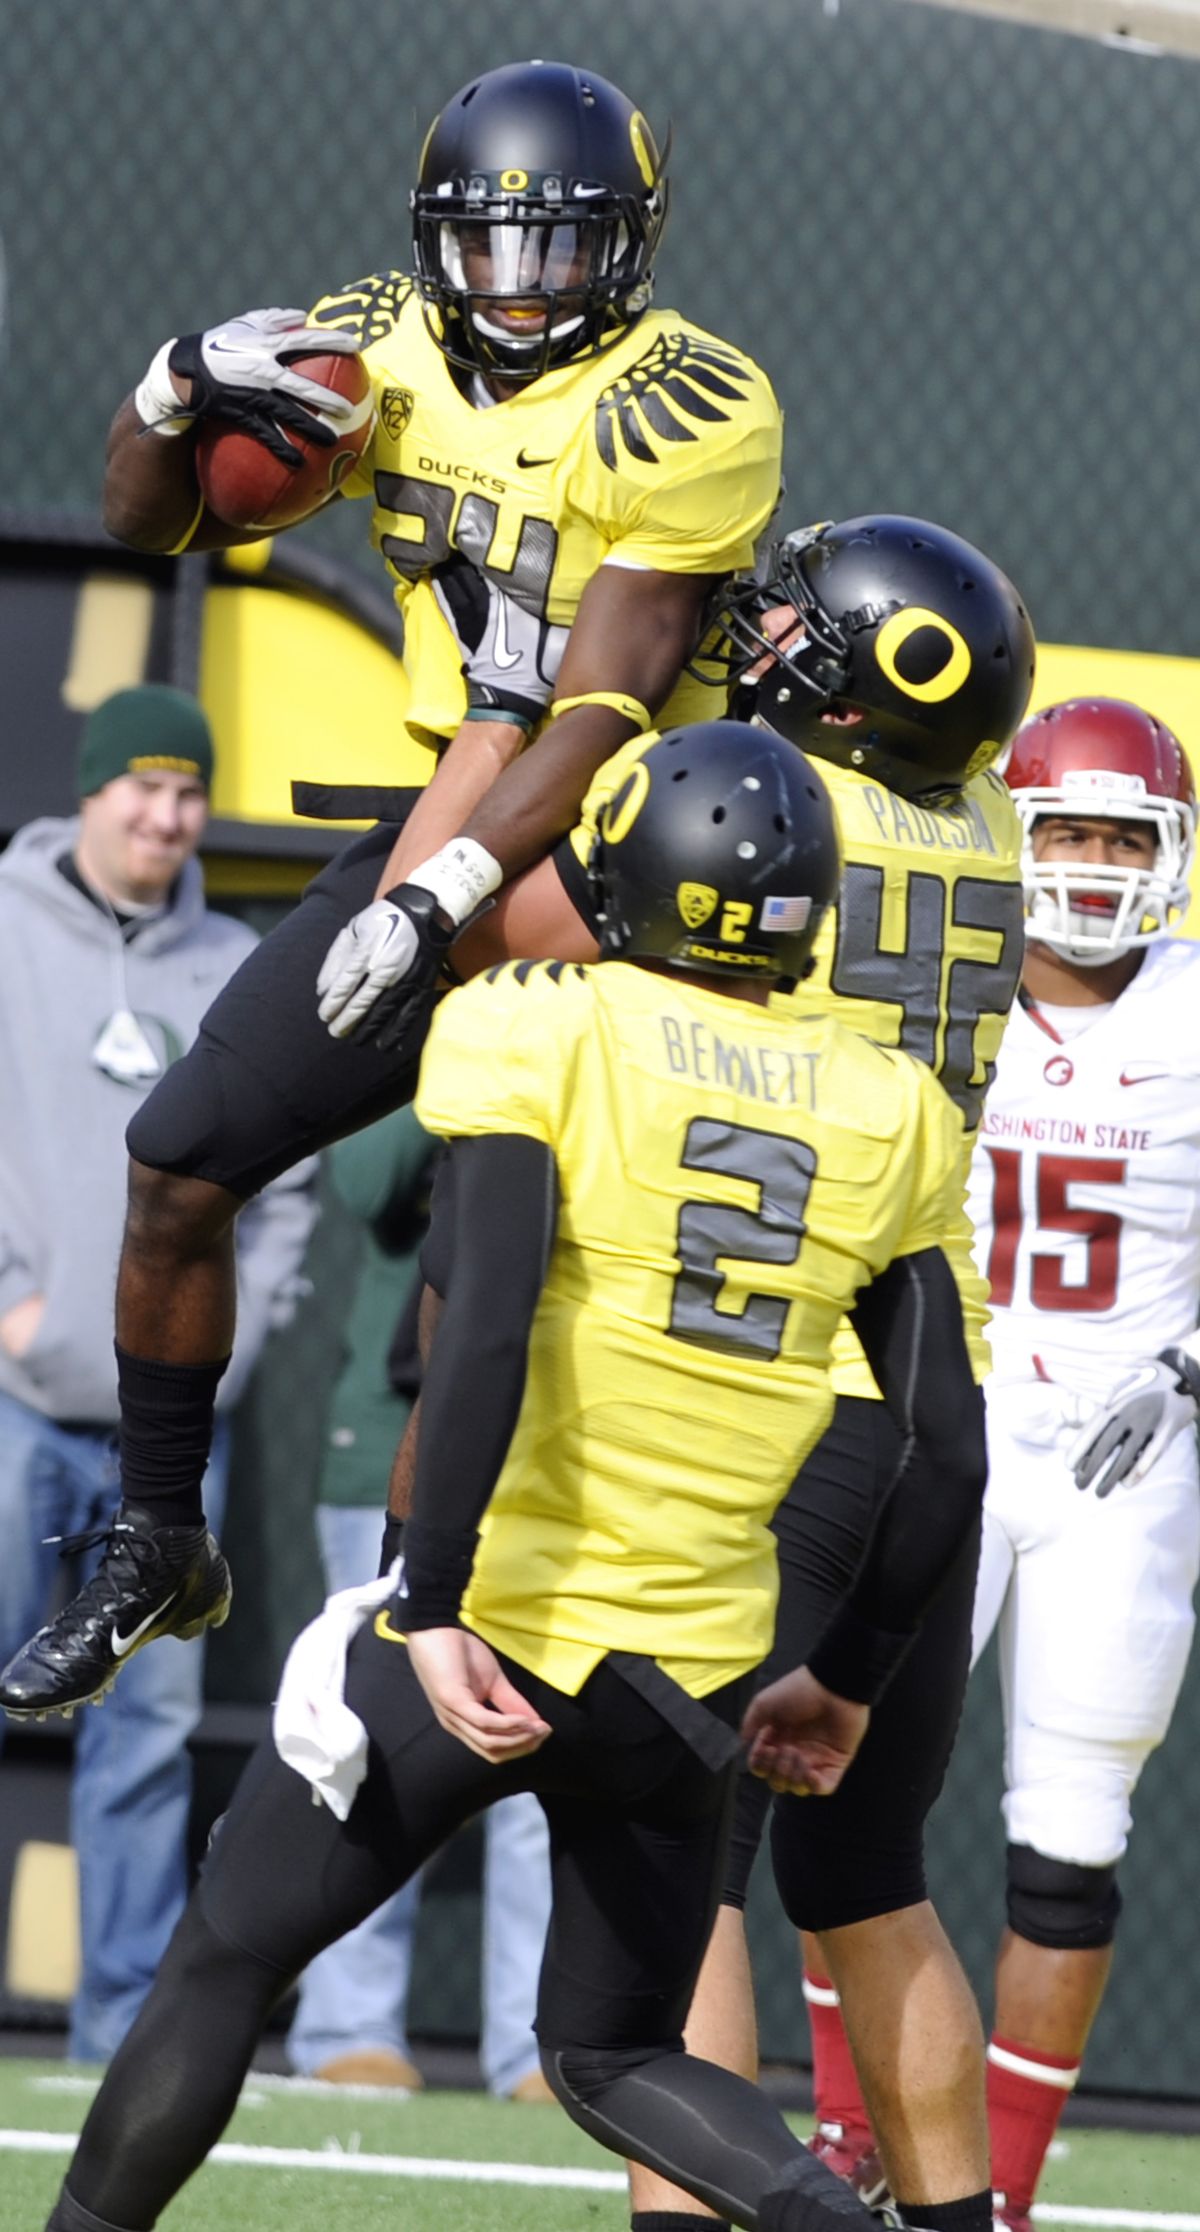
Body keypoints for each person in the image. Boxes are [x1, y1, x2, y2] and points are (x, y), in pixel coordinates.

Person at [42, 719, 988, 2232]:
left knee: (227, 1944)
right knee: (614, 2050)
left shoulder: (535, 1023)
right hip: (691, 1670)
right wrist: (852, 1676)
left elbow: (478, 1328)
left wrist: (431, 1598)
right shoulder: (896, 1109)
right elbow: (944, 1456)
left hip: (493, 1622)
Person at [2, 57, 783, 1720]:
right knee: (175, 1161)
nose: (514, 290)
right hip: (466, 797)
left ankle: (527, 1577)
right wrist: (166, 395)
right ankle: (161, 1533)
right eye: (485, 251)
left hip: (640, 852)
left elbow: (605, 699)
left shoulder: (693, 402)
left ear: (628, 251)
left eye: (556, 251)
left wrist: (434, 906)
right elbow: (161, 530)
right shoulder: (385, 338)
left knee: (503, 1239)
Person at [566, 518, 1031, 2232]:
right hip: (937, 1393)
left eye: (791, 637)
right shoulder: (986, 833)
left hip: (768, 1384)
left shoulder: (772, 804)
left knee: (680, 1880)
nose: (761, 644)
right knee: (873, 1881)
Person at [0, 685, 318, 2059]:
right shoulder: (4, 931)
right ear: (89, 790)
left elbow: (290, 1182)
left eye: (187, 791)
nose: (166, 813)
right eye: (141, 785)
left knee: (140, 1737)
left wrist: (234, 1344)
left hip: (165, 1442)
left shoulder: (232, 964)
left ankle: (116, 2029)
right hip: (11, 1404)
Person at [962, 697, 1200, 2232]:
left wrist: (1187, 1366)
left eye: (1128, 835)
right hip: (948, 1416)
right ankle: (856, 2133)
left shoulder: (1189, 1005)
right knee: (848, 1781)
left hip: (1133, 1448)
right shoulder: (943, 971)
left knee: (1071, 1830)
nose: (1099, 867)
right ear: (1016, 839)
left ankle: (1000, 2199)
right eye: (1071, 832)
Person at [285, 1106, 553, 2101]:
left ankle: (535, 2046)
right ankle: (348, 2024)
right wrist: (451, 1010)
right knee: (372, 1750)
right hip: (394, 1444)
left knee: (536, 1755)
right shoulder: (439, 1013)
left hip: (564, 1451)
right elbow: (362, 1181)